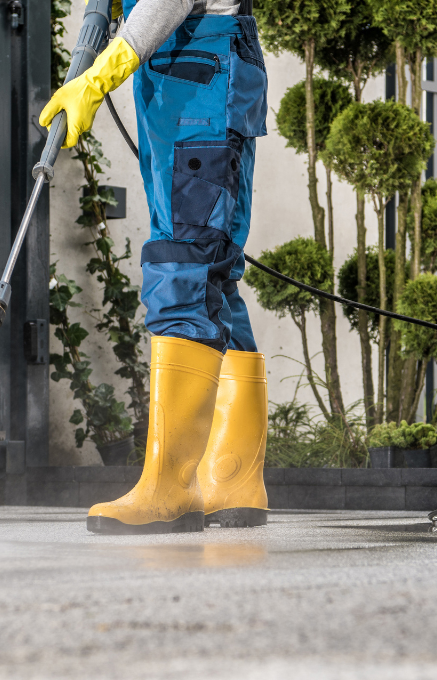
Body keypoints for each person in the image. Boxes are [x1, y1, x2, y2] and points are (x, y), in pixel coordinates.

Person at [40, 0, 269, 535]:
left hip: (199, 85)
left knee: (184, 266)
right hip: (194, 79)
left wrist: (101, 74)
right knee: (214, 276)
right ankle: (234, 480)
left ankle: (171, 485)